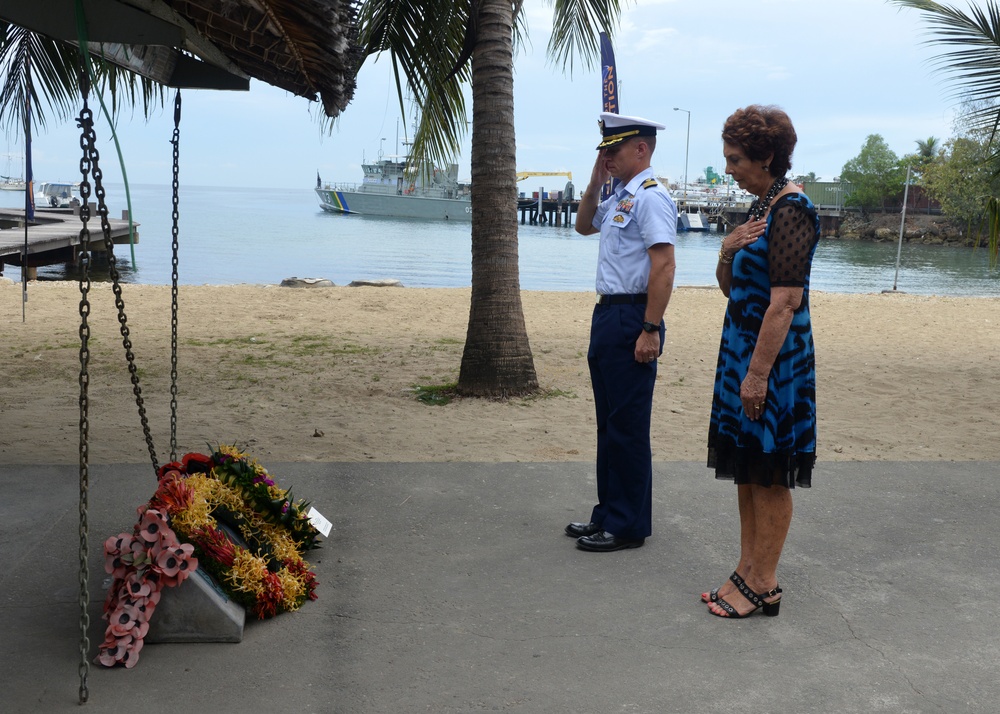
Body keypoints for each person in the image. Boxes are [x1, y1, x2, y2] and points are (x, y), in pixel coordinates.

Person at [703, 105, 820, 617]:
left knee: (771, 472)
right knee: (749, 468)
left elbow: (786, 301)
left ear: (766, 156)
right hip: (742, 353)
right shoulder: (759, 207)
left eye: (734, 159)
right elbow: (731, 288)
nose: (728, 169)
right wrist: (726, 250)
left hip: (773, 364)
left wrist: (756, 374)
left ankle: (765, 582)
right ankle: (746, 569)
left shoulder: (792, 209)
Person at [566, 113, 677, 552]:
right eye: (604, 151)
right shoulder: (621, 197)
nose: (607, 156)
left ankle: (627, 525)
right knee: (608, 426)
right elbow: (583, 224)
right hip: (607, 317)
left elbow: (664, 264)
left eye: (614, 150)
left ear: (641, 150)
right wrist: (595, 181)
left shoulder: (651, 198)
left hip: (633, 317)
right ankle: (608, 514)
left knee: (628, 427)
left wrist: (650, 328)